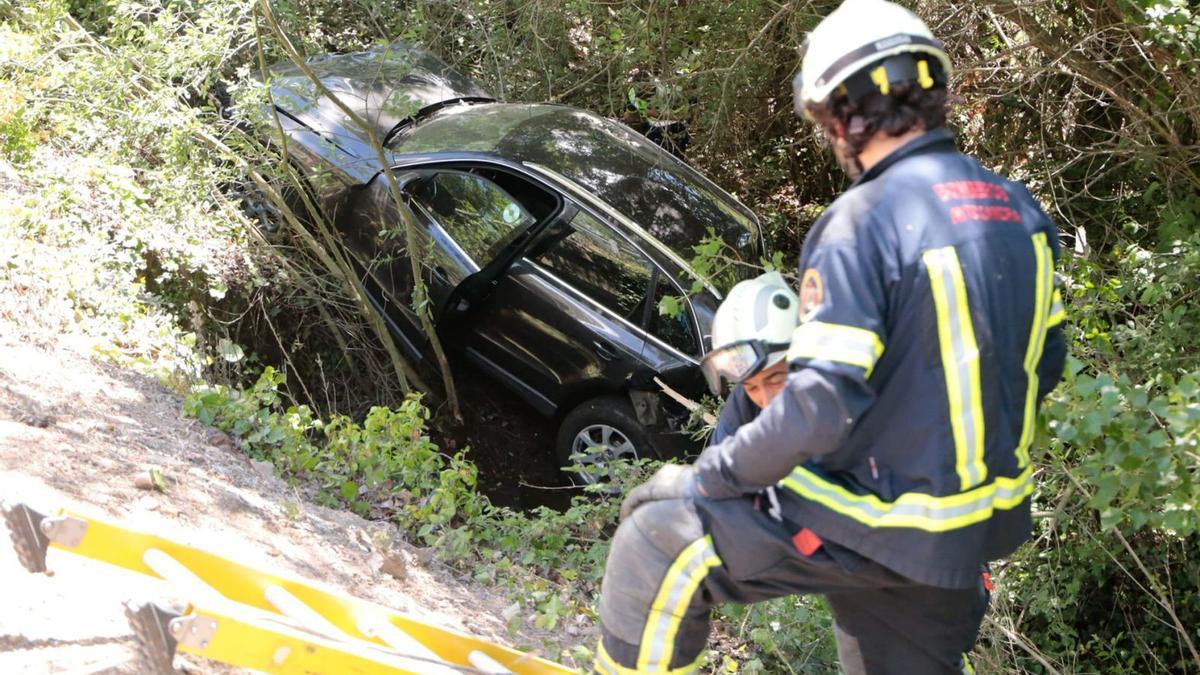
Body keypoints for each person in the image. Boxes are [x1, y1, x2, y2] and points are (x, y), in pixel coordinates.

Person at [592, 0, 1067, 673]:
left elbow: (819, 406)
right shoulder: (1022, 214)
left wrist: (713, 475)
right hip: (964, 542)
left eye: (824, 122)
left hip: (879, 523)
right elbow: (1042, 364)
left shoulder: (864, 220)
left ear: (842, 112)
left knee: (656, 535)